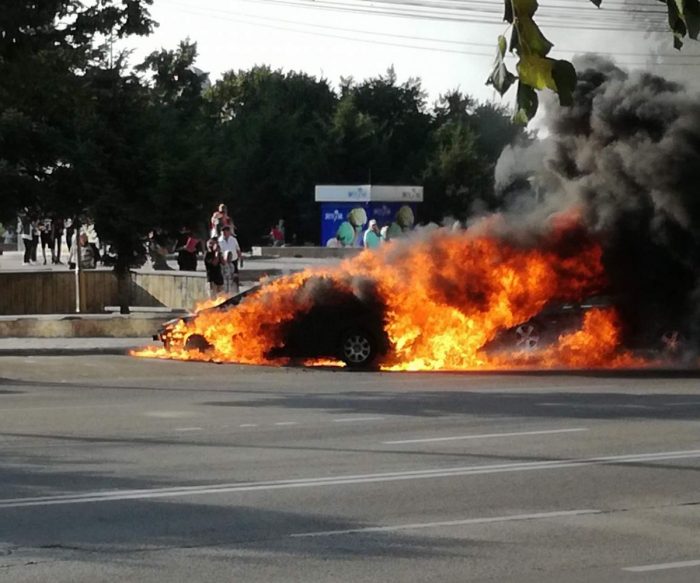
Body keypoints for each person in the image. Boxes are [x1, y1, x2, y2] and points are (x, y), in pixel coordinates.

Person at [218, 225, 242, 295]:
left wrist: (241, 258)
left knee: (235, 276)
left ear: (229, 232)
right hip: (224, 262)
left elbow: (238, 249)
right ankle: (226, 292)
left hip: (234, 260)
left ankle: (236, 291)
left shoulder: (233, 239)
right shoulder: (219, 241)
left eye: (225, 232)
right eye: (223, 233)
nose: (224, 234)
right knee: (226, 277)